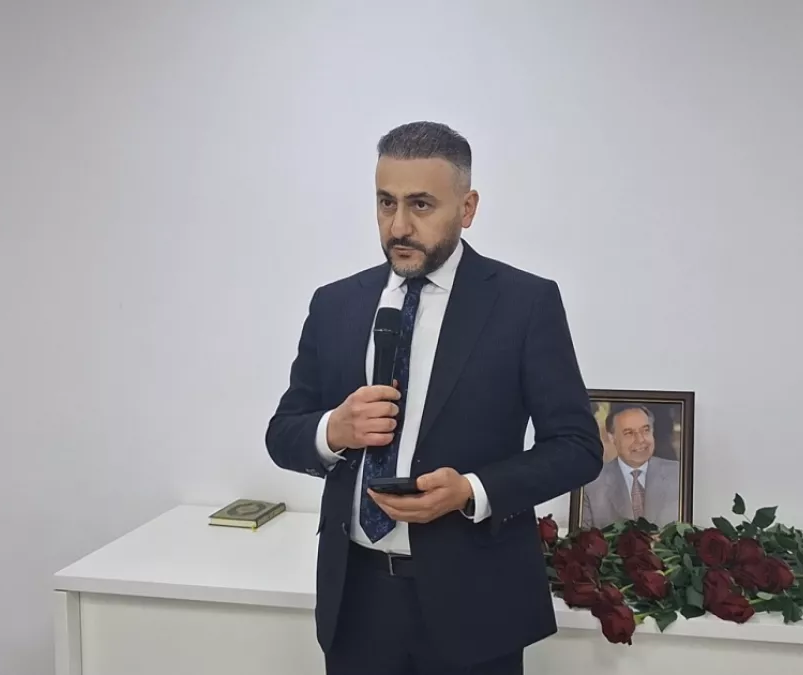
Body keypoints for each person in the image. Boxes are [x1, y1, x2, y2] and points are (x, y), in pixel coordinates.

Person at [265, 121, 603, 675]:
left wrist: (470, 491)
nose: (399, 225)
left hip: (475, 605)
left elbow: (577, 447)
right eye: (386, 202)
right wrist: (333, 430)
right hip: (356, 603)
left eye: (420, 204)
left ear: (467, 208)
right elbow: (283, 433)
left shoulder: (525, 304)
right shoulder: (335, 304)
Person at [581, 404, 680, 529]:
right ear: (612, 438)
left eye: (645, 430)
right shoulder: (592, 483)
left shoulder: (679, 474)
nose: (640, 440)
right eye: (629, 433)